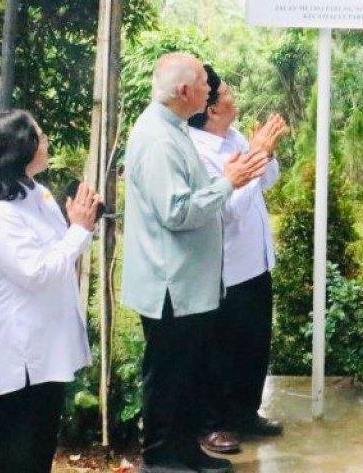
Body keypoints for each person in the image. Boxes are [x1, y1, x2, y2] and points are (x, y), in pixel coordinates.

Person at [120, 52, 268, 473]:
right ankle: (164, 459)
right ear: (184, 91)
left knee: (187, 376)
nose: (211, 88)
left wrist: (230, 173)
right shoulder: (158, 138)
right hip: (171, 284)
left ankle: (185, 452)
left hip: (189, 283)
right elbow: (176, 211)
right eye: (205, 82)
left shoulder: (174, 129)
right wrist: (228, 182)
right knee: (168, 378)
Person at [0, 110, 102, 473]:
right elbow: (38, 271)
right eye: (39, 137)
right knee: (14, 450)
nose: (46, 142)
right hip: (19, 350)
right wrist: (78, 231)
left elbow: (60, 252)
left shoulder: (35, 192)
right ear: (19, 150)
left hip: (46, 343)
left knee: (38, 446)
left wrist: (81, 228)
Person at [187, 66, 289, 443]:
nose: (234, 96)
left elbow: (268, 180)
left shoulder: (233, 138)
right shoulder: (199, 152)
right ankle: (214, 424)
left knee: (253, 344)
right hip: (225, 268)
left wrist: (264, 154)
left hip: (256, 261)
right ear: (212, 108)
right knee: (220, 350)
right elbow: (228, 209)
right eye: (227, 91)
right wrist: (256, 155)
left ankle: (246, 413)